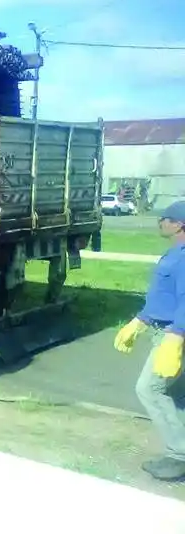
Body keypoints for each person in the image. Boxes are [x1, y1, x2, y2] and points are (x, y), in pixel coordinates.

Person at [113, 200, 185, 482]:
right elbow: (164, 297)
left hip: (173, 336)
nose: (160, 222)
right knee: (176, 395)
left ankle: (179, 456)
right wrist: (140, 321)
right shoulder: (173, 253)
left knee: (150, 390)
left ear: (179, 224)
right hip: (164, 329)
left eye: (165, 218)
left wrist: (176, 337)